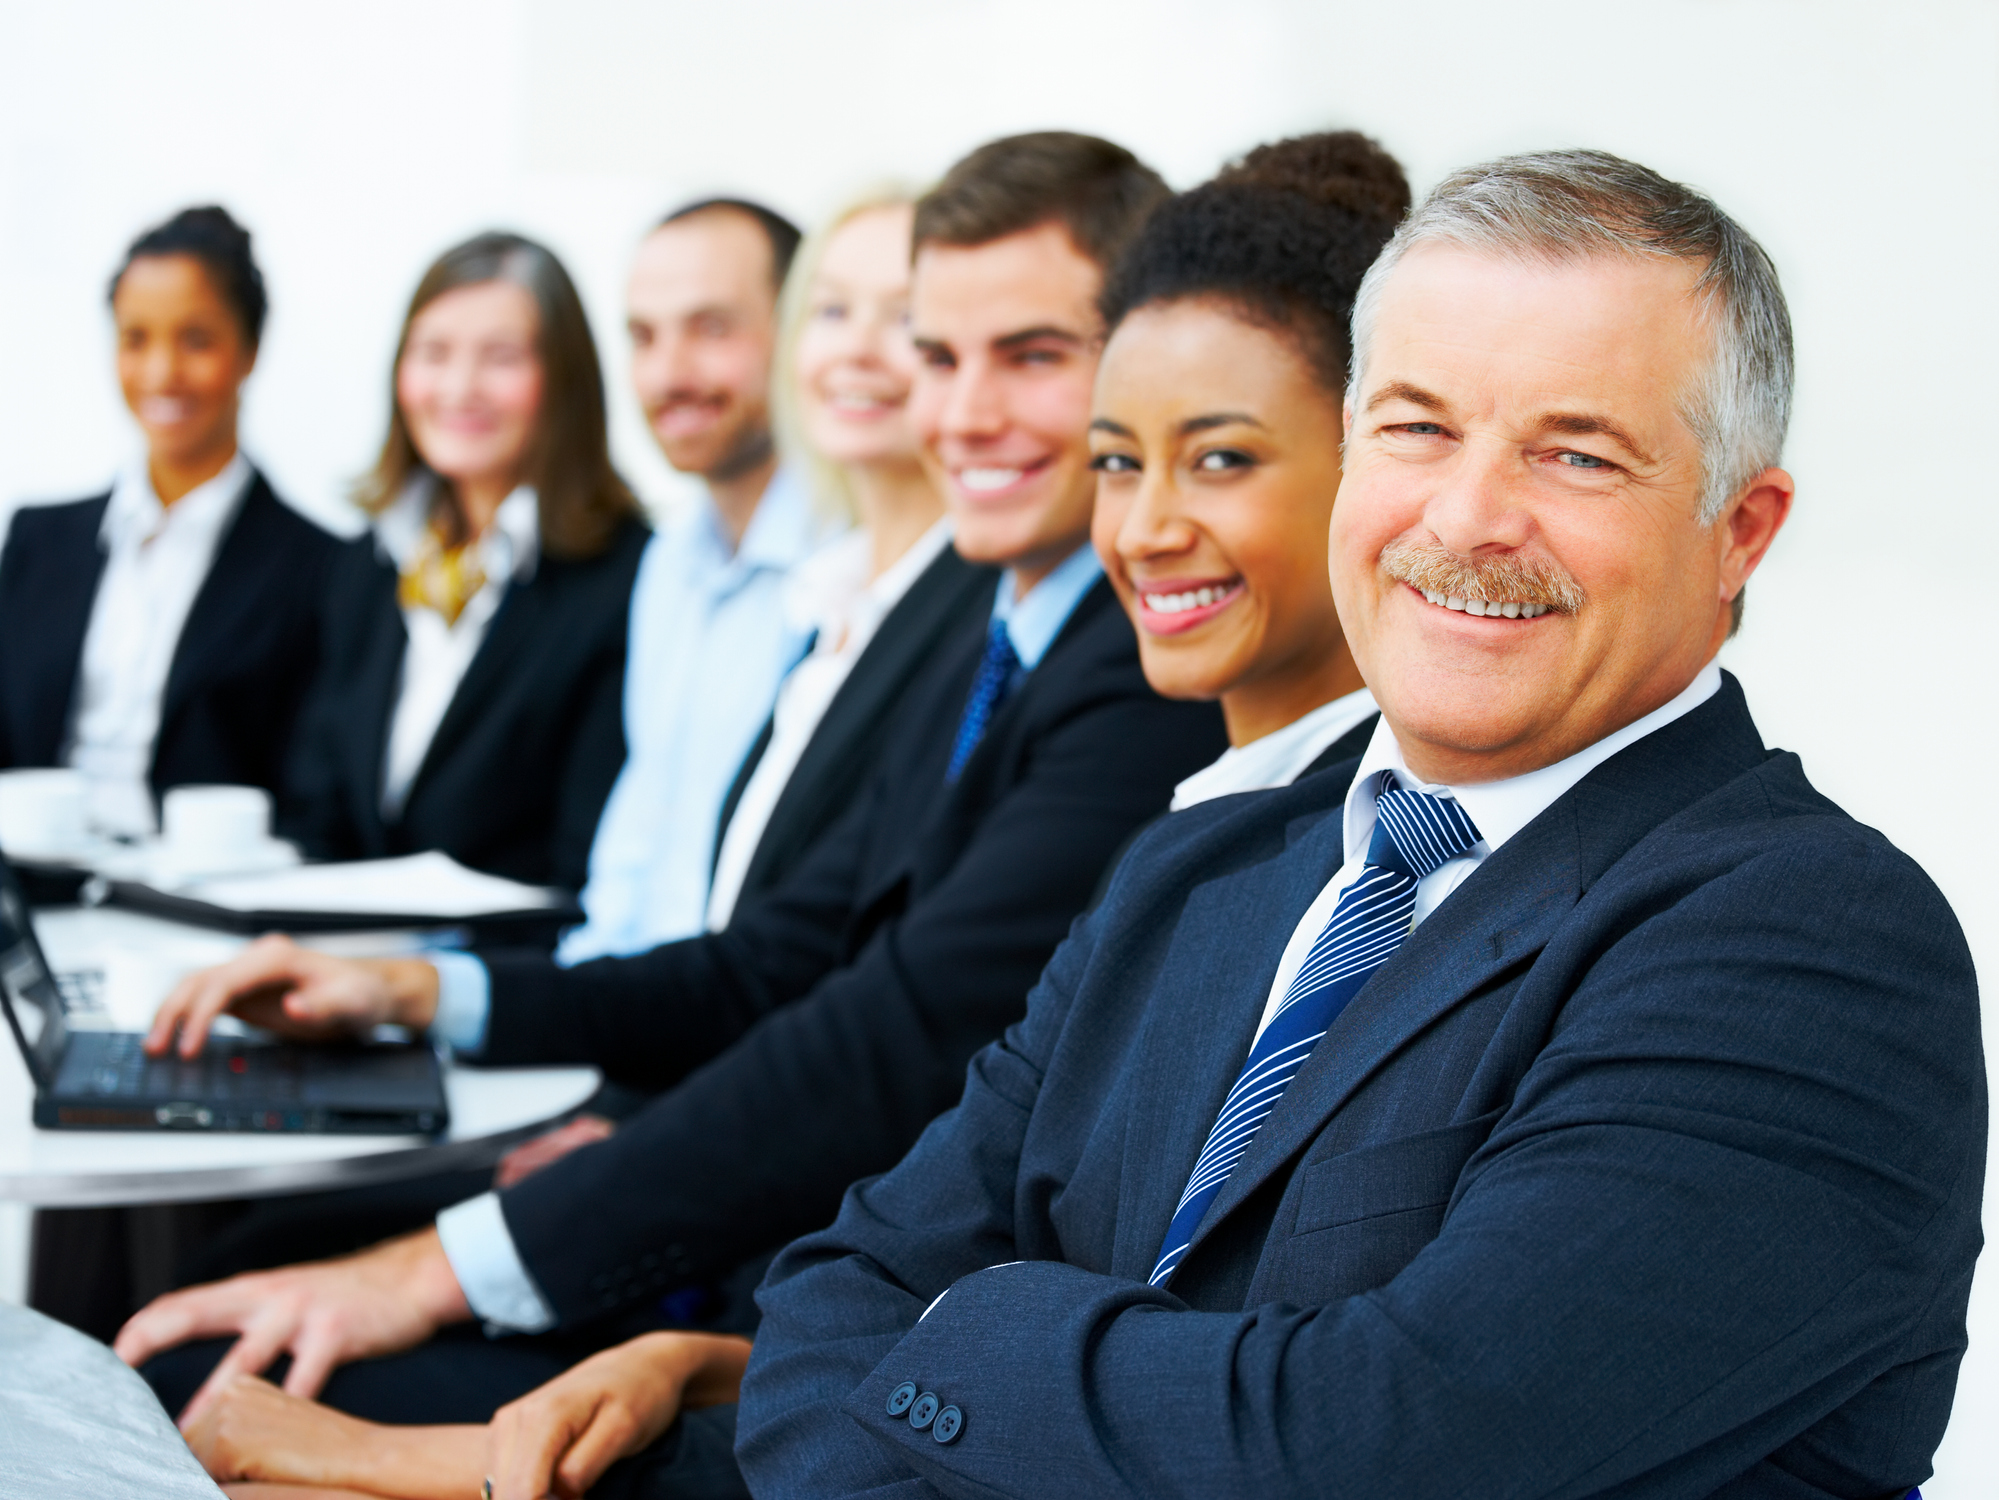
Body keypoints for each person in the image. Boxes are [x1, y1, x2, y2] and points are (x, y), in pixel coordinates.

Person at [156, 131, 1425, 1500]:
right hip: (813, 1322)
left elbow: (914, 1082)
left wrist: (478, 1446)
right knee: (221, 1312)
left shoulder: (1218, 750)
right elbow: (824, 1001)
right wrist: (707, 1359)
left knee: (222, 1375)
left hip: (858, 1363)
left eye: (1033, 358)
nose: (957, 412)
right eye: (1120, 456)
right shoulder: (997, 645)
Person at [734, 151, 1984, 1498]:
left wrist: (953, 1338)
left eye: (1573, 452)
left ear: (1737, 529)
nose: (1465, 517)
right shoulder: (1195, 872)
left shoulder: (1806, 942)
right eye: (1414, 428)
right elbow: (830, 1302)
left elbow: (1374, 1451)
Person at [280, 231, 648, 890]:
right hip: (343, 960)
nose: (458, 387)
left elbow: (581, 867)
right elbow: (316, 805)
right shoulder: (372, 560)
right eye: (433, 353)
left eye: (500, 357)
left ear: (563, 379)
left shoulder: (627, 581)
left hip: (503, 975)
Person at [557, 197, 843, 961]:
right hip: (632, 1018)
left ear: (799, 335)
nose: (667, 373)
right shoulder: (669, 558)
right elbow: (638, 836)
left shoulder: (852, 566)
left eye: (710, 328)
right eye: (643, 337)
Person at [0, 206, 335, 838]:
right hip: (30, 891)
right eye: (136, 339)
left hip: (204, 905)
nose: (161, 373)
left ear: (250, 350)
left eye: (196, 339)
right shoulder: (38, 541)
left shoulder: (321, 568)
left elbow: (313, 795)